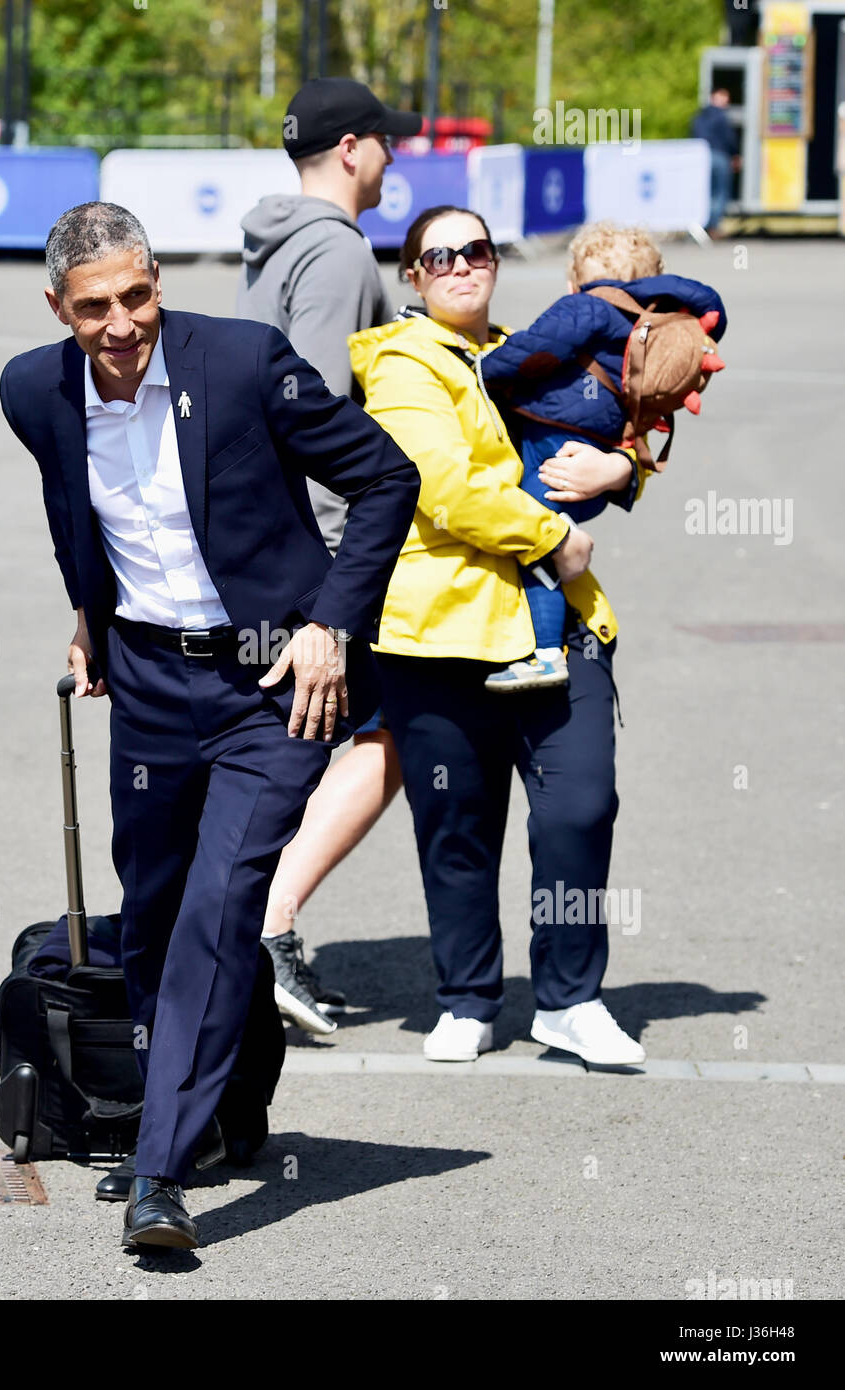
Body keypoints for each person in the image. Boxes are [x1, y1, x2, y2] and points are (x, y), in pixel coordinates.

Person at [0, 202, 419, 1250]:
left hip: (274, 681)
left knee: (221, 908)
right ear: (58, 307)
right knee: (149, 912)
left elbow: (384, 477)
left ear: (156, 282)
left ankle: (159, 1170)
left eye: (137, 294)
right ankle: (216, 1109)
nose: (121, 322)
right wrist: (88, 620)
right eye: (93, 306)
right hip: (144, 679)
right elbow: (74, 510)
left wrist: (330, 622)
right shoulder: (32, 391)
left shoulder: (240, 364)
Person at [348, 204, 647, 1067]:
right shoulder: (403, 362)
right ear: (412, 276)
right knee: (457, 826)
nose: (459, 265)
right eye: (436, 255)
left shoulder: (537, 350)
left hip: (561, 623)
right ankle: (469, 995)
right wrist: (553, 535)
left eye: (474, 249)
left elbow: (620, 420)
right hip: (441, 629)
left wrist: (623, 467)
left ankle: (569, 999)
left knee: (581, 806)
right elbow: (442, 483)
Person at [237, 78, 420, 1035]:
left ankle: (251, 936)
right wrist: (337, 573)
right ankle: (264, 931)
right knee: (387, 737)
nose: (395, 160)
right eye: (387, 145)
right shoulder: (340, 252)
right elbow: (313, 405)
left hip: (267, 531)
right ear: (351, 149)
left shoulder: (275, 246)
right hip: (323, 540)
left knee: (294, 745)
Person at [477, 221, 727, 691]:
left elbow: (534, 347)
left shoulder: (586, 308)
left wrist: (481, 369)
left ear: (574, 283)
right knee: (549, 535)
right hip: (599, 454)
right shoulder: (643, 322)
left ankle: (545, 652)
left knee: (537, 543)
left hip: (555, 448)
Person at [691, 88, 740, 236]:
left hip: (703, 156)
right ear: (714, 98)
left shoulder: (700, 116)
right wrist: (735, 154)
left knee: (706, 192)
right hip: (719, 155)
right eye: (723, 98)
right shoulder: (721, 116)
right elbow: (729, 138)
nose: (726, 102)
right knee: (720, 192)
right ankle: (713, 226)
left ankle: (703, 224)